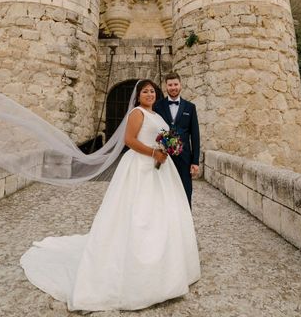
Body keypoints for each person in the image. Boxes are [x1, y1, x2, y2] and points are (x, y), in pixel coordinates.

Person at [20, 79, 200, 310]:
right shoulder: (137, 113)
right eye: (145, 91)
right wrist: (154, 152)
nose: (149, 94)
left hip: (160, 171)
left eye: (152, 91)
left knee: (162, 214)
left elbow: (168, 136)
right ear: (138, 96)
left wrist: (169, 147)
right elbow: (129, 140)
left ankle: (168, 266)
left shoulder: (157, 115)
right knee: (138, 215)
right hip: (140, 168)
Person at [154, 72, 200, 207]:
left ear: (180, 85)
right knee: (163, 191)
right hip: (163, 156)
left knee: (185, 191)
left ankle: (186, 224)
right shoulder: (158, 106)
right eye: (170, 85)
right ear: (165, 87)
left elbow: (195, 135)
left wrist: (195, 161)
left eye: (175, 84)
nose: (173, 87)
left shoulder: (190, 107)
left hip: (184, 157)